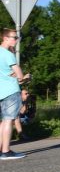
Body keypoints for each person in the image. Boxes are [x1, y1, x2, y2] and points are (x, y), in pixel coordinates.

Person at [0, 29, 30, 159]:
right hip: (11, 91)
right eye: (14, 37)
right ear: (5, 38)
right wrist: (26, 77)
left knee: (3, 122)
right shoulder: (8, 54)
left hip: (1, 91)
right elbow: (20, 76)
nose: (16, 40)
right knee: (8, 120)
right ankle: (6, 151)